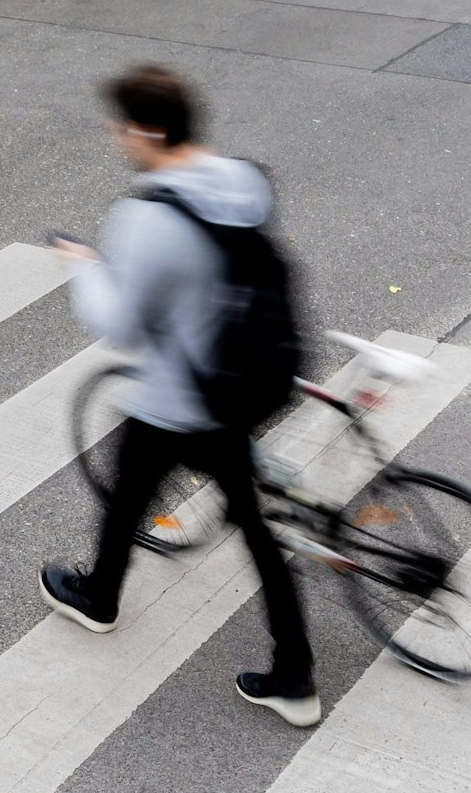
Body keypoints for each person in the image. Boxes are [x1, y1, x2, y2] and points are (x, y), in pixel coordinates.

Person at [41, 63, 320, 728]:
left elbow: (122, 324)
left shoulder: (147, 217)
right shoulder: (240, 180)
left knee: (149, 483)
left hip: (187, 391)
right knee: (204, 505)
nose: (116, 138)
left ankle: (103, 597)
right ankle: (292, 671)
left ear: (150, 130)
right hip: (254, 371)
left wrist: (85, 268)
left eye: (122, 127)